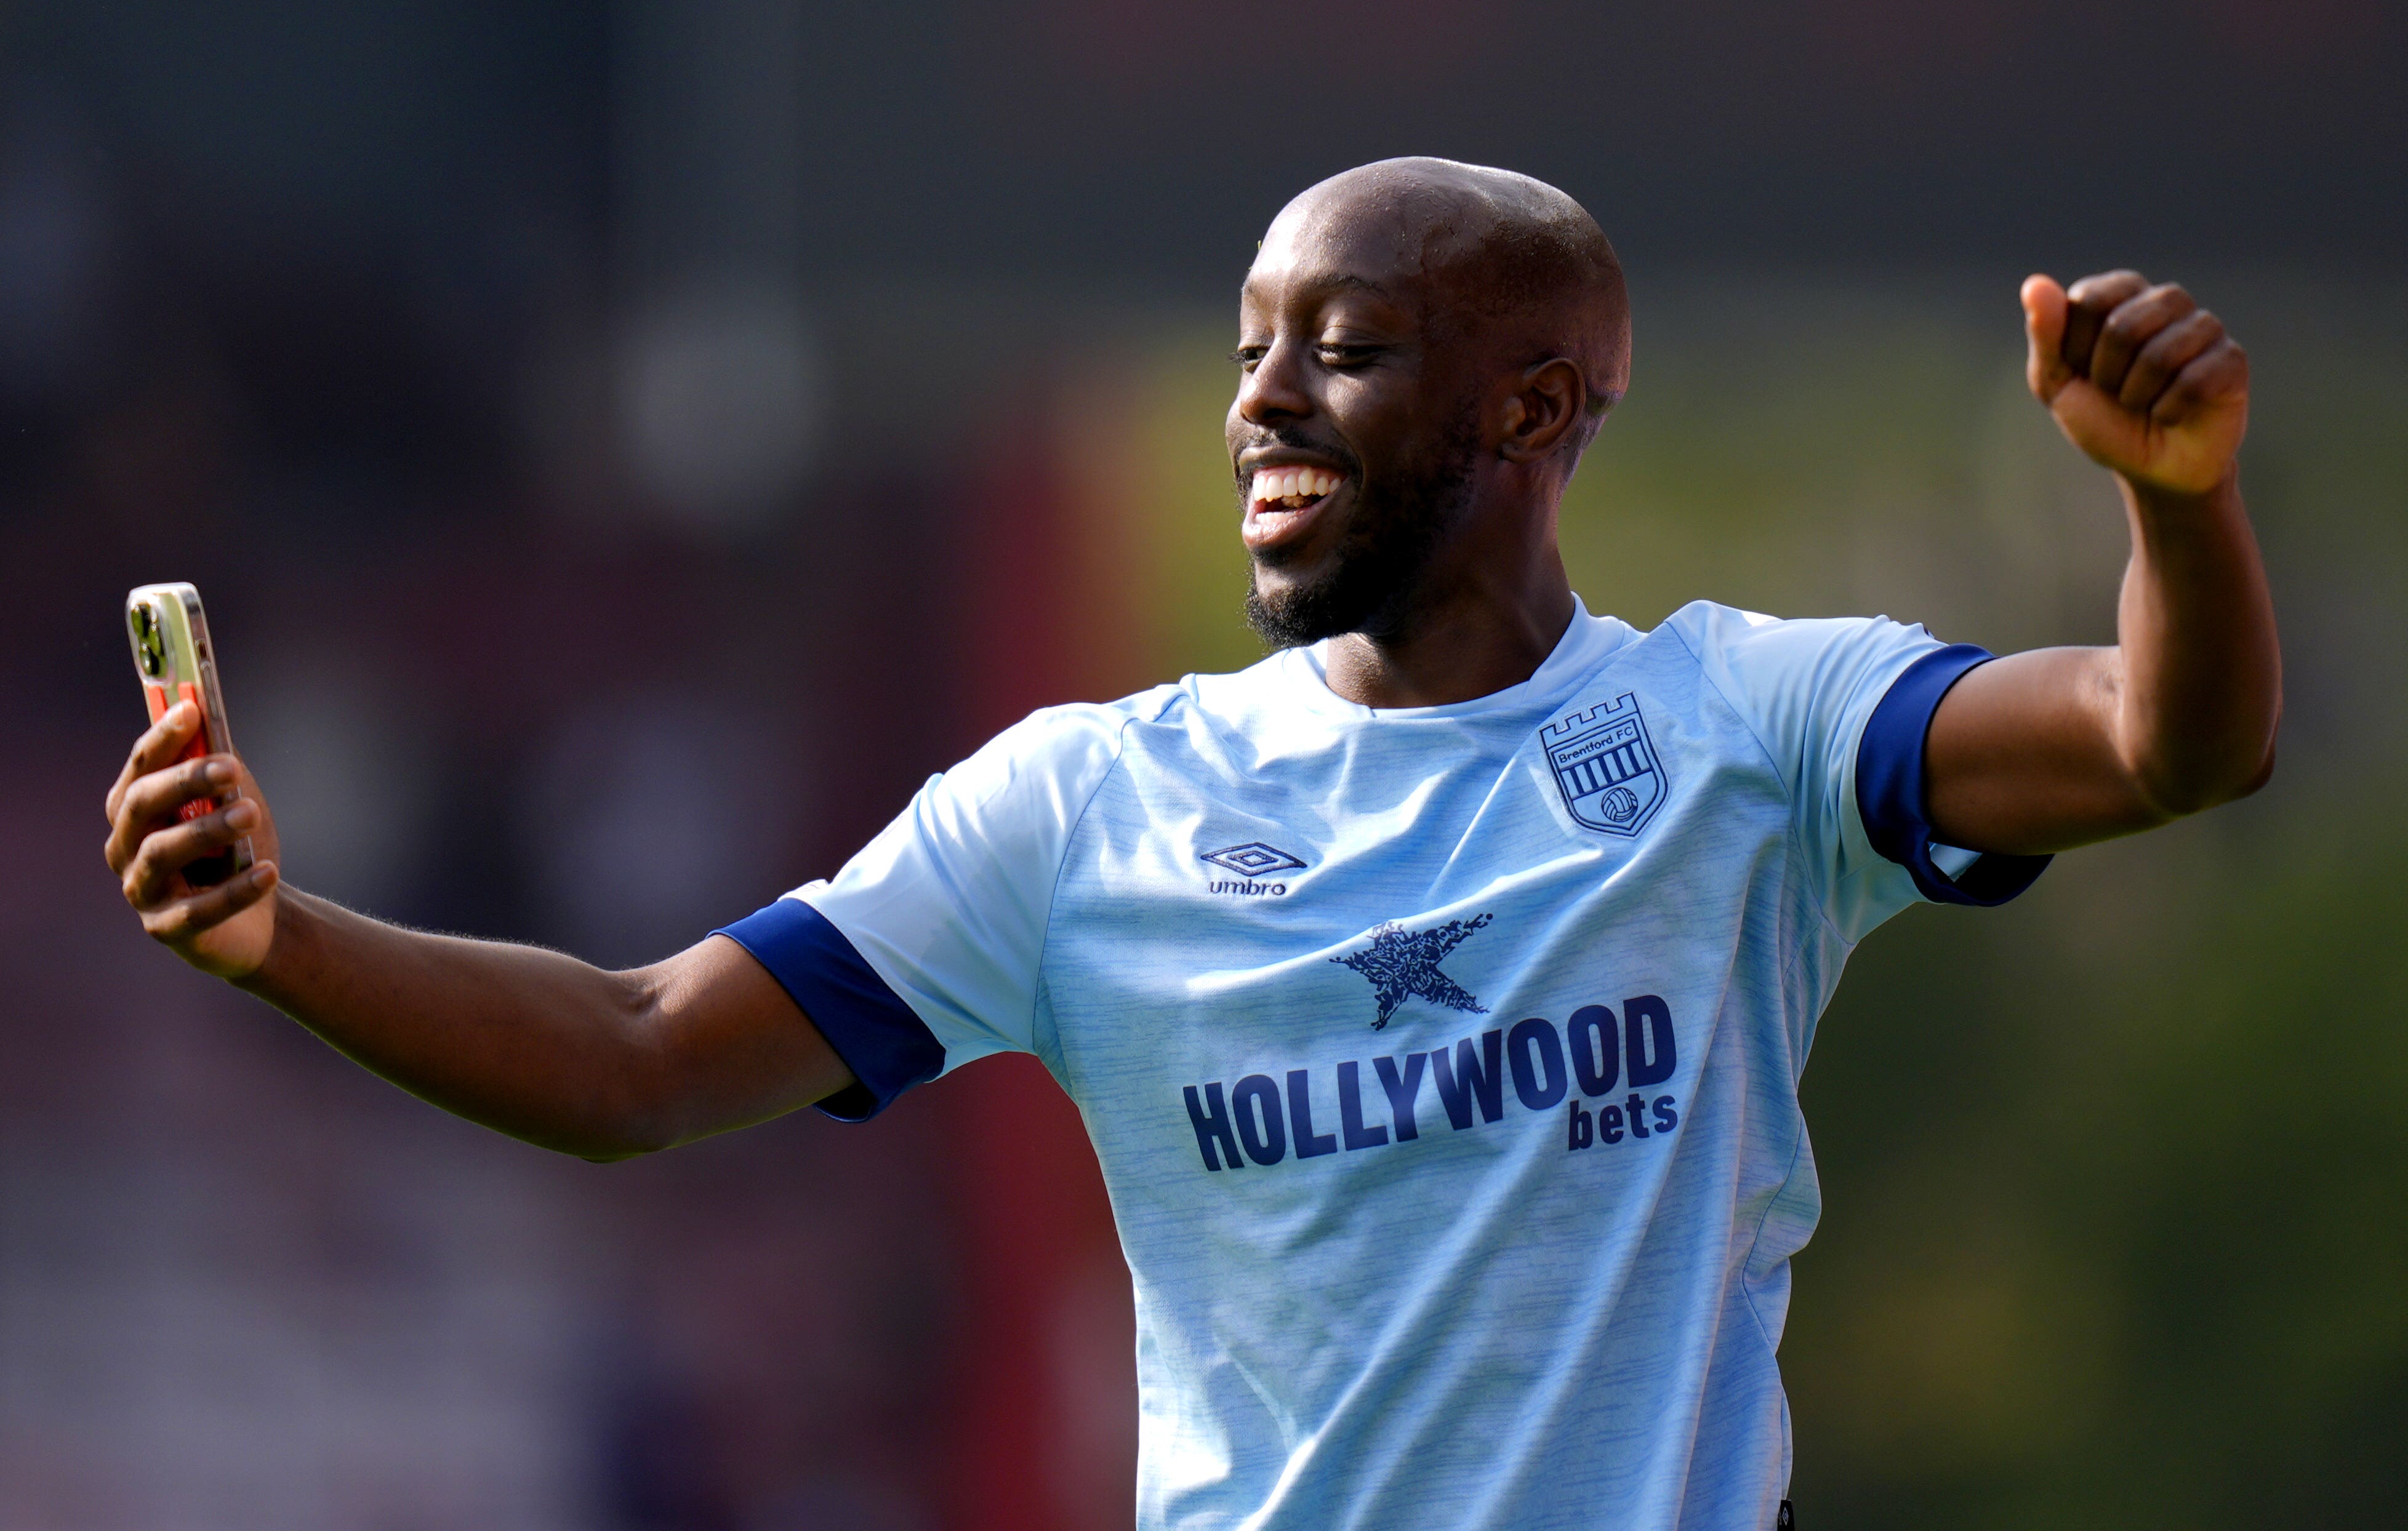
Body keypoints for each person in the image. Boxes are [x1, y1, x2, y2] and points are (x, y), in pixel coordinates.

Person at [104, 158, 2279, 1529]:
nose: (1260, 406)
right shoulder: (1085, 808)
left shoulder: (1748, 729)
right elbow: (643, 1056)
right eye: (1251, 353)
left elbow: (2161, 745)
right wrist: (279, 937)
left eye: (1344, 353)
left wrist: (2174, 508)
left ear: (1537, 410)